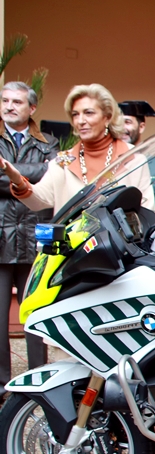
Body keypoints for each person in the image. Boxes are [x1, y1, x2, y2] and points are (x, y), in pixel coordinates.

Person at [2, 84, 155, 213]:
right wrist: (18, 181)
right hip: (72, 247)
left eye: (88, 113)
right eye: (75, 114)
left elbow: (146, 210)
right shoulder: (63, 161)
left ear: (107, 117)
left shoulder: (133, 159)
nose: (80, 121)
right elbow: (40, 201)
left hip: (120, 247)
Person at [0, 81, 58, 396]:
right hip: (1, 236)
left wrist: (9, 171)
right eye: (5, 100)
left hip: (35, 236)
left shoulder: (49, 142)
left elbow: (52, 179)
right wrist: (32, 173)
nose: (9, 106)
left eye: (17, 102)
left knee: (35, 316)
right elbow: (40, 176)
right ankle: (1, 385)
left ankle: (38, 381)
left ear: (31, 108)